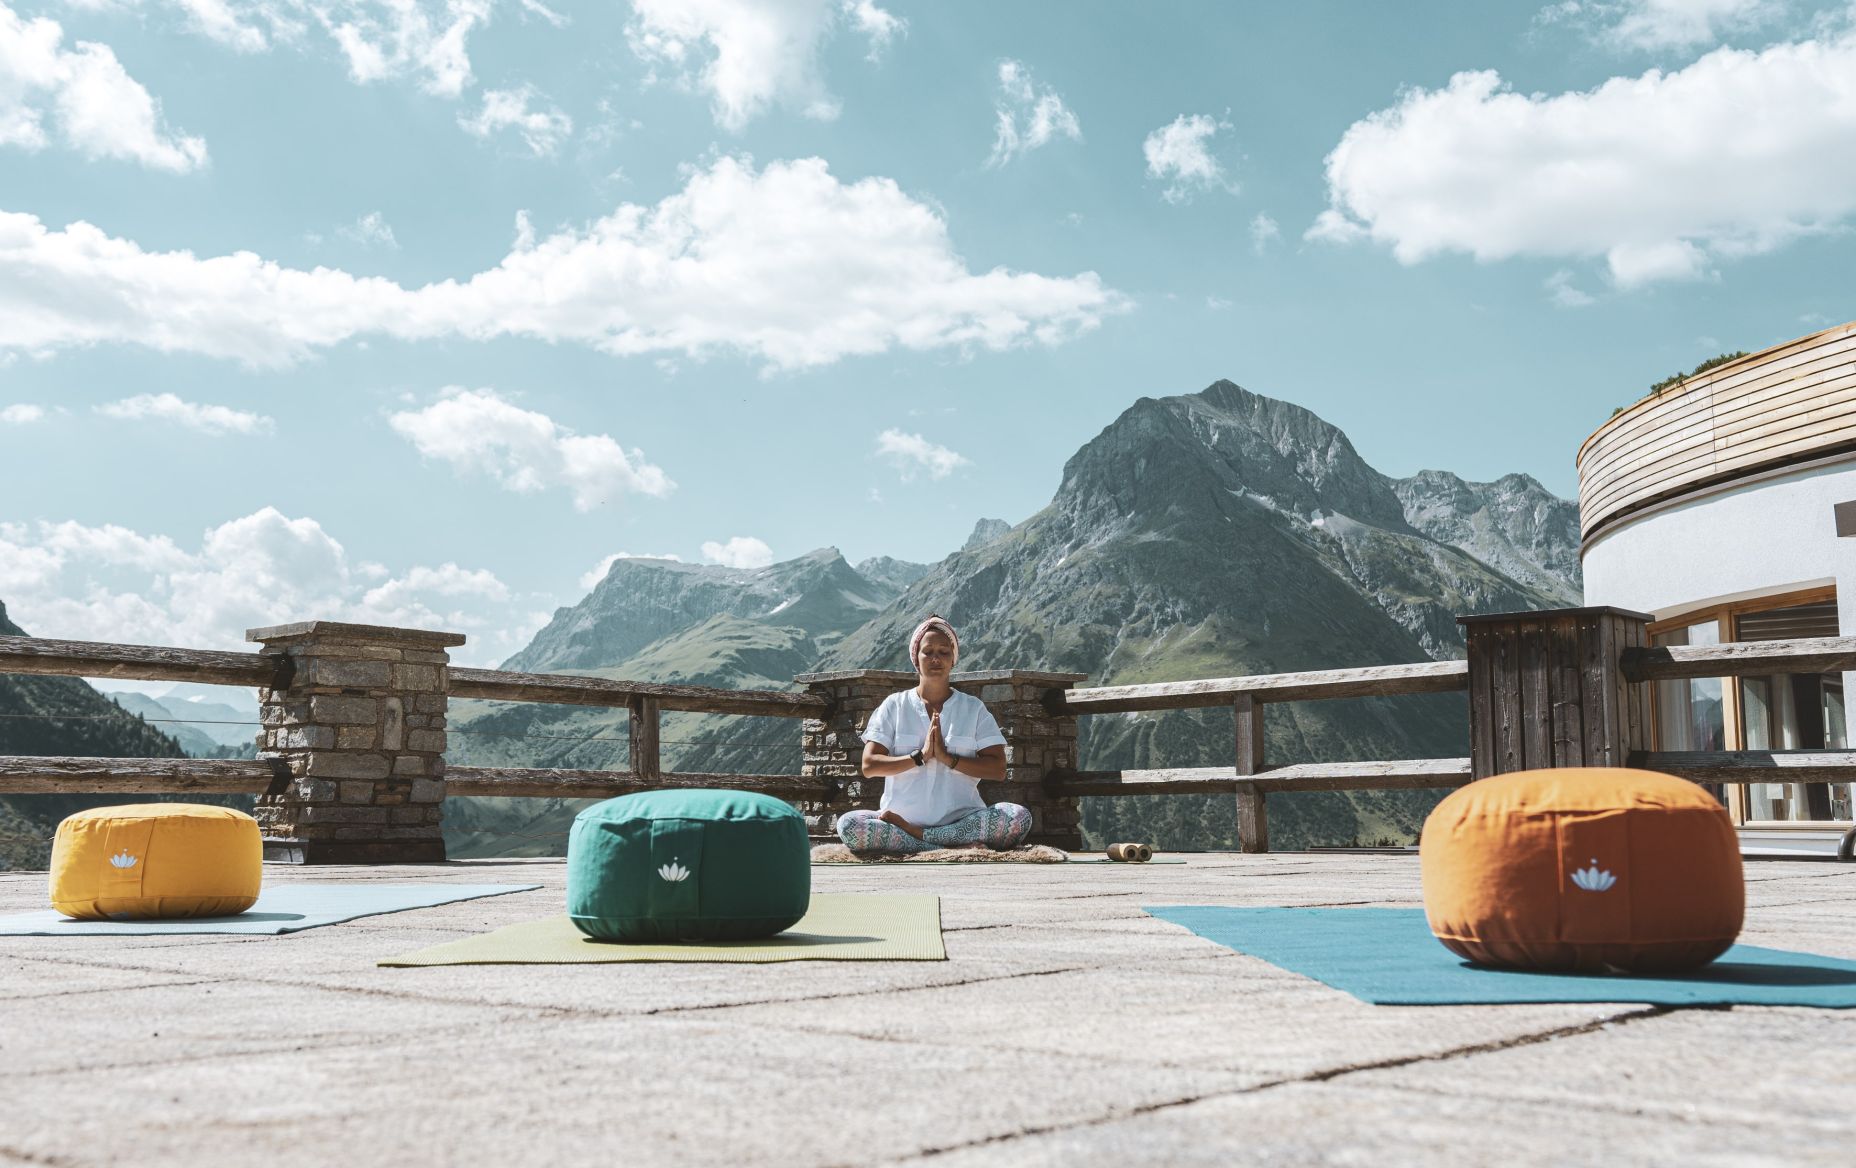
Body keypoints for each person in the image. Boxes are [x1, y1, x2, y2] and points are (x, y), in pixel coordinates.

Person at [836, 615, 1033, 854]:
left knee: (1018, 817)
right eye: (927, 652)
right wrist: (919, 757)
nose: (935, 658)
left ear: (953, 659)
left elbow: (998, 769)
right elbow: (870, 766)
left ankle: (921, 839)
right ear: (916, 659)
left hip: (963, 822)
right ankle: (947, 845)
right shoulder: (894, 706)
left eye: (943, 652)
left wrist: (949, 758)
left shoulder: (973, 709)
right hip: (898, 821)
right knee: (849, 825)